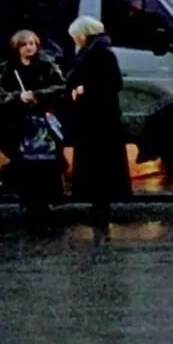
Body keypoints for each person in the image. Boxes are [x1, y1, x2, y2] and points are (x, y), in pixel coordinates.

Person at [64, 15, 129, 228]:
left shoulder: (99, 54)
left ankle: (100, 208)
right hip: (97, 119)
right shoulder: (96, 52)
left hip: (99, 120)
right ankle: (99, 207)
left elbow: (112, 83)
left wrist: (85, 89)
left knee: (98, 165)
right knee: (100, 165)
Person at [0, 29, 66, 217]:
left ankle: (46, 200)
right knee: (24, 162)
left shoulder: (46, 65)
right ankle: (28, 201)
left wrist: (38, 96)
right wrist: (18, 97)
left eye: (32, 44)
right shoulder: (9, 68)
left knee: (45, 161)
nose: (29, 48)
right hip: (18, 122)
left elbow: (60, 88)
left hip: (43, 120)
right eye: (25, 44)